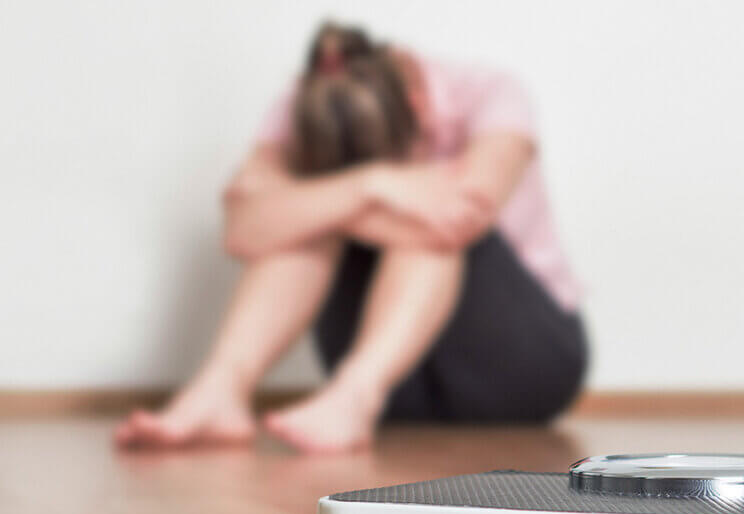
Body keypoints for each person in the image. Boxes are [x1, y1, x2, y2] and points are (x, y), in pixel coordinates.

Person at [115, 22, 586, 453]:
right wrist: (372, 186)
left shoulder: (490, 92)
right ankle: (221, 390)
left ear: (419, 108)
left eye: (385, 163)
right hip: (402, 393)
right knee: (302, 221)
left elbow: (460, 215)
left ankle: (355, 395)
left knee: (425, 221)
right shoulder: (308, 102)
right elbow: (241, 230)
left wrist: (327, 200)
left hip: (523, 369)